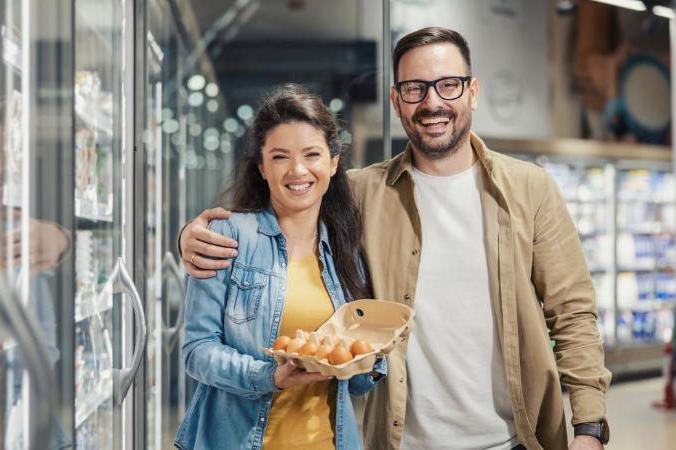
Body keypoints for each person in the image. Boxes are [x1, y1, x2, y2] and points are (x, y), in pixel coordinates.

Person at [178, 27, 611, 450]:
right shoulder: (363, 192)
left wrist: (589, 427)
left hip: (514, 437)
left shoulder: (530, 189)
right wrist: (190, 237)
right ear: (396, 100)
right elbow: (289, 205)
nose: (432, 102)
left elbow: (572, 314)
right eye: (415, 88)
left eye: (448, 86)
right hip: (401, 439)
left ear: (473, 92)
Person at [174, 84, 385, 450]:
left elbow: (356, 384)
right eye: (280, 157)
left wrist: (372, 357)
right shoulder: (227, 237)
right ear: (261, 168)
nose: (298, 170)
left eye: (312, 154)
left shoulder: (346, 249)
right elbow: (197, 350)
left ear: (333, 163)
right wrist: (270, 375)